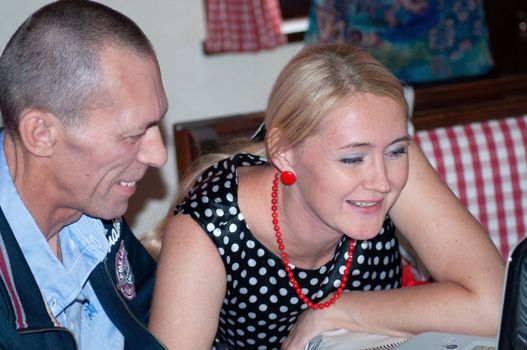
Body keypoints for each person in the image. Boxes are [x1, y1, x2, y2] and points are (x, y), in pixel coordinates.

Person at [146, 44, 505, 350]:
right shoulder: (207, 229)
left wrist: (334, 311)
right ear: (284, 152)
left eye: (396, 150)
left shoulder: (387, 164)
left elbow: (494, 304)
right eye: (352, 158)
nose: (381, 181)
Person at [0, 1, 168, 349]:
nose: (159, 155)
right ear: (41, 133)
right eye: (133, 134)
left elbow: (156, 317)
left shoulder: (94, 209)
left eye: (156, 123)